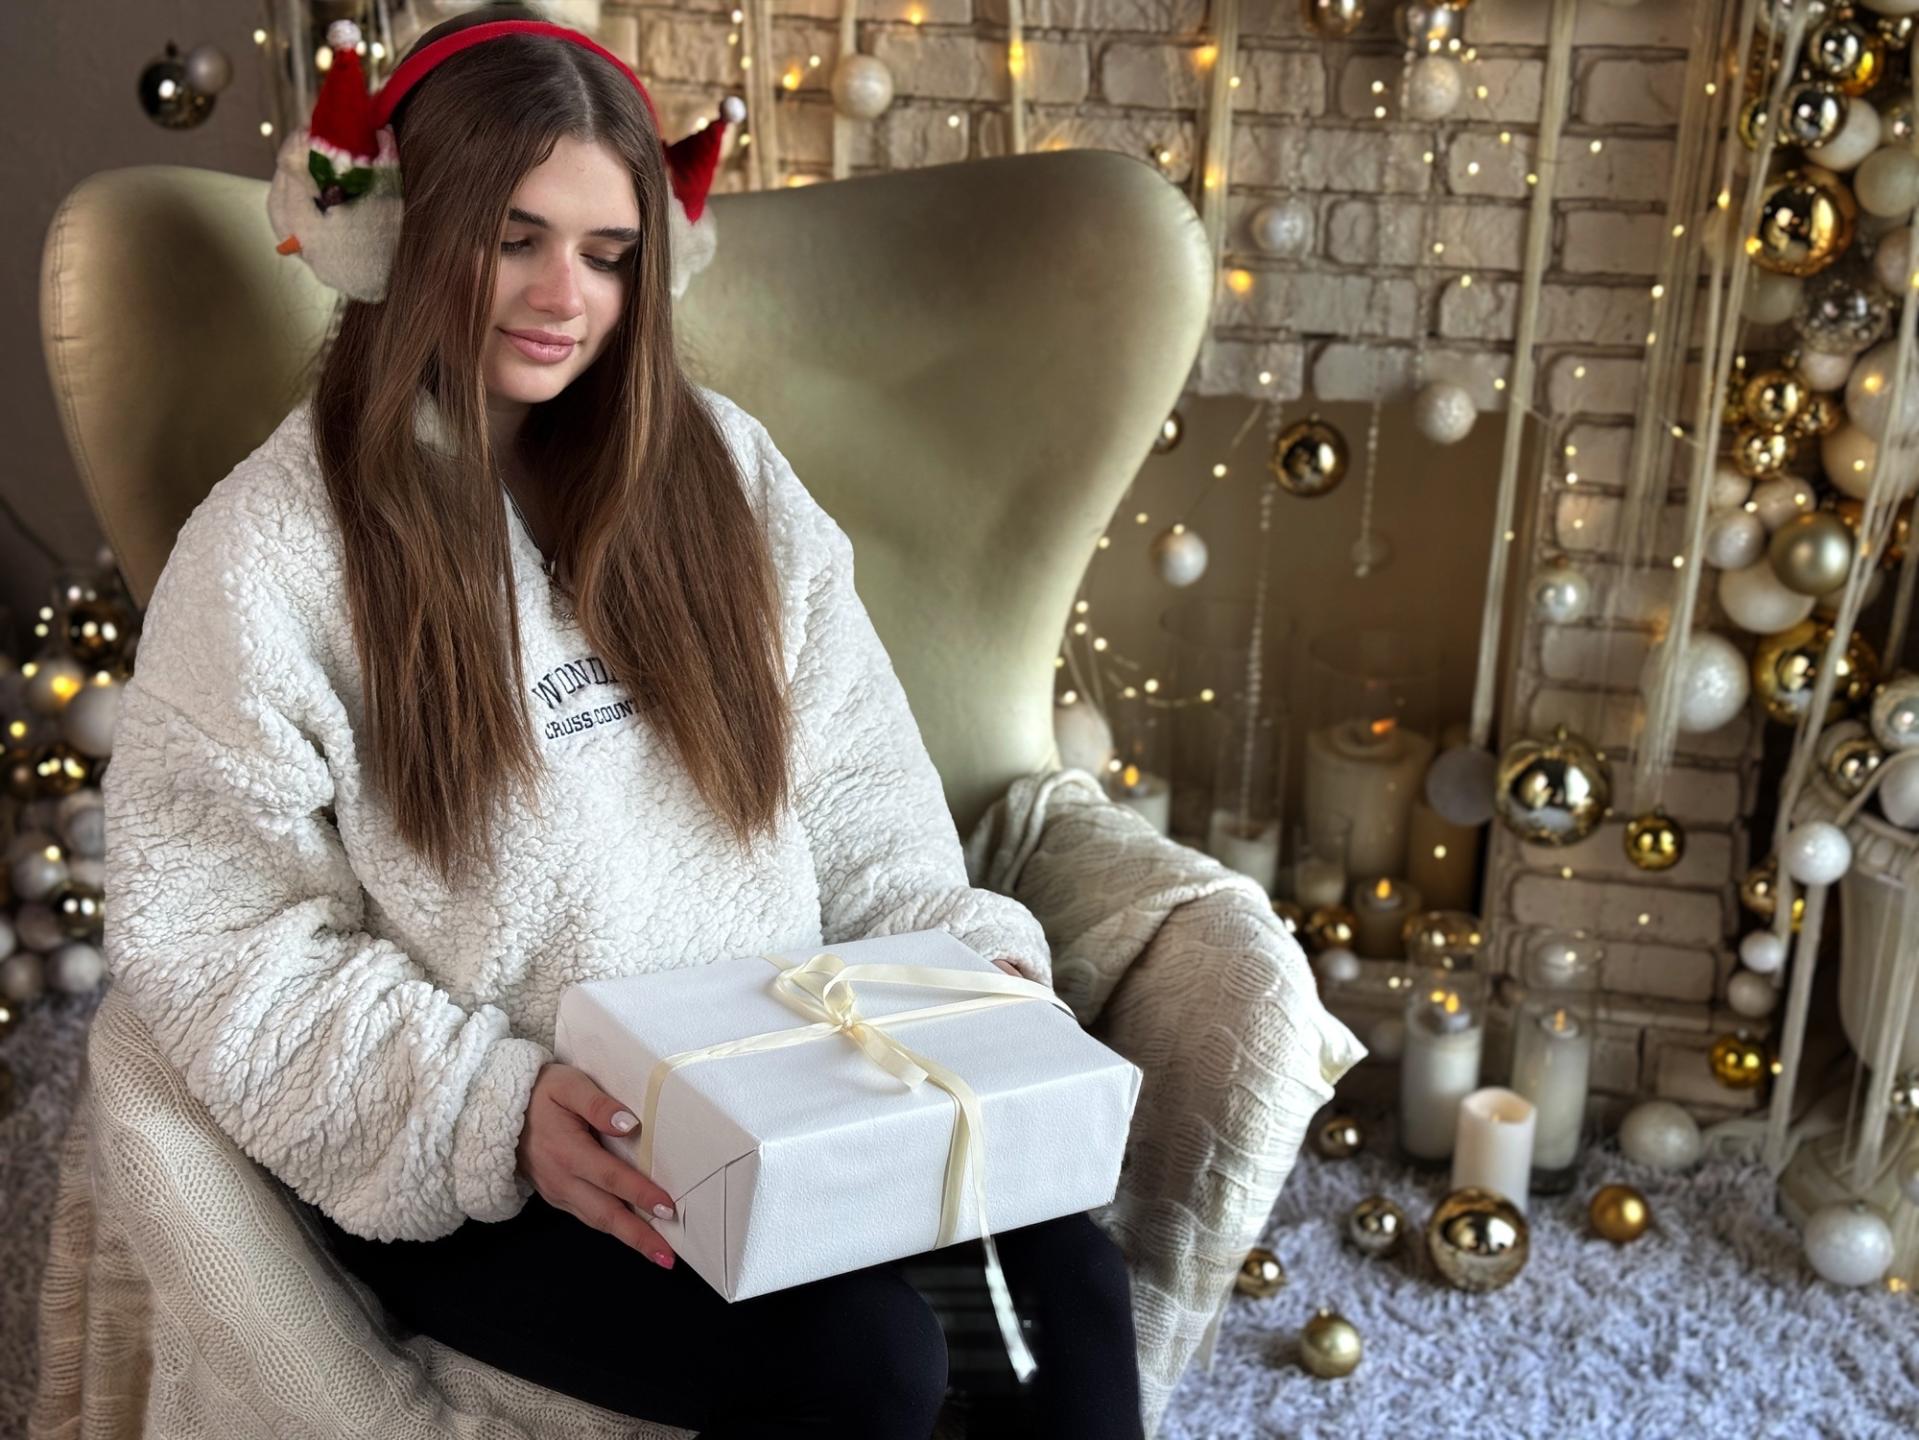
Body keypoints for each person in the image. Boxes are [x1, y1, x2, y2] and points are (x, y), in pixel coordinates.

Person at [98, 4, 1143, 1437]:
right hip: (502, 1160)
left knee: (1063, 1288)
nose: (562, 297)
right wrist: (492, 1107)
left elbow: (857, 796)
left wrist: (961, 980)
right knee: (866, 1360)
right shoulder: (270, 553)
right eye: (513, 238)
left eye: (607, 254)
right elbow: (217, 931)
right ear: (395, 233)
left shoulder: (726, 477)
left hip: (781, 1097)